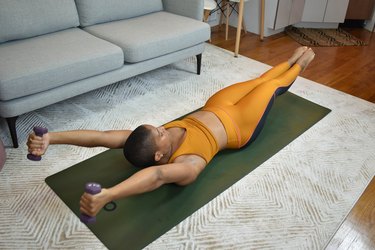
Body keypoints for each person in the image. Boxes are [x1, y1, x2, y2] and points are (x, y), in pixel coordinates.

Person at [27, 47, 315, 217]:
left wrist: (53, 137)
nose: (162, 127)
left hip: (217, 105)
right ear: (159, 153)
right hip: (239, 125)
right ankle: (300, 64)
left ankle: (289, 60)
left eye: (156, 127)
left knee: (258, 79)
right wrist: (109, 194)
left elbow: (100, 137)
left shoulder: (144, 142)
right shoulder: (185, 165)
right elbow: (157, 176)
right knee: (269, 88)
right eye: (159, 133)